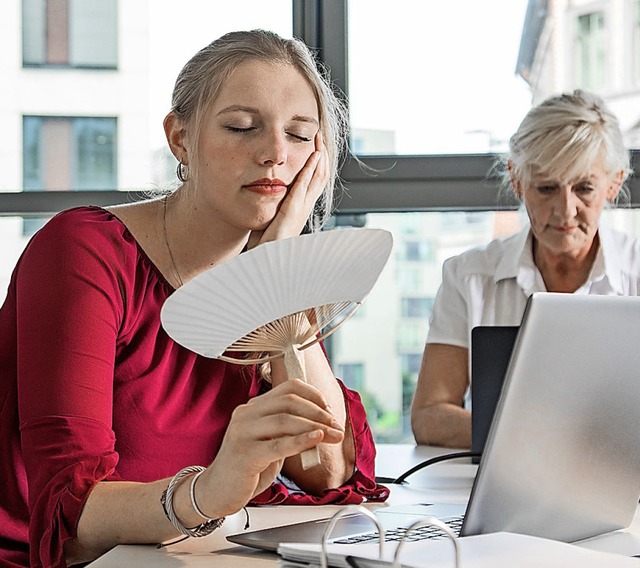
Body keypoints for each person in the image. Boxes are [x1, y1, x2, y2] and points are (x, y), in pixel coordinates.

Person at [0, 30, 389, 568]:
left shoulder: (268, 275)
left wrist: (274, 266)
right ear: (180, 139)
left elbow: (325, 467)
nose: (276, 153)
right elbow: (69, 520)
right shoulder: (83, 253)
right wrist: (208, 492)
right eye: (241, 127)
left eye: (300, 135)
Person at [411, 90, 640, 449]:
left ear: (613, 184)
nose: (565, 211)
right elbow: (429, 417)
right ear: (516, 180)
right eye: (546, 188)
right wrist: (545, 438)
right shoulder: (468, 276)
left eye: (584, 189)